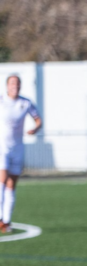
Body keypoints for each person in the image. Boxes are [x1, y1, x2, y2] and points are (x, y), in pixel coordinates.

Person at [0, 75, 42, 234]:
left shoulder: (25, 103)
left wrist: (35, 129)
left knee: (11, 185)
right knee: (2, 181)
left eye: (17, 84)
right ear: (7, 86)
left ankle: (6, 221)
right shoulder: (1, 100)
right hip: (2, 147)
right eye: (12, 83)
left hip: (18, 148)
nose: (14, 86)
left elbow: (39, 120)